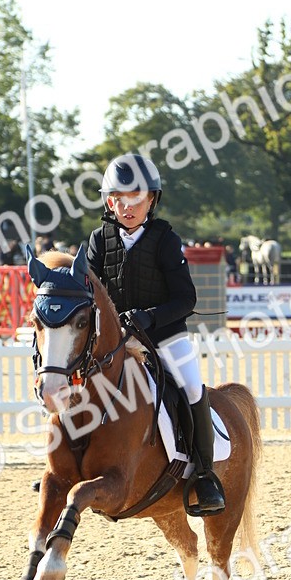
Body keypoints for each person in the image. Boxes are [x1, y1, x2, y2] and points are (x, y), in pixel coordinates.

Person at [86, 153, 225, 515]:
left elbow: (186, 298)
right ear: (110, 202)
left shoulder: (165, 239)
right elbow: (90, 293)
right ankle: (68, 464)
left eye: (137, 198)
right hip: (117, 341)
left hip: (164, 335)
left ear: (151, 200)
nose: (128, 207)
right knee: (74, 383)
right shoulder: (99, 240)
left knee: (192, 387)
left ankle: (205, 476)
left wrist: (149, 317)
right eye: (120, 199)